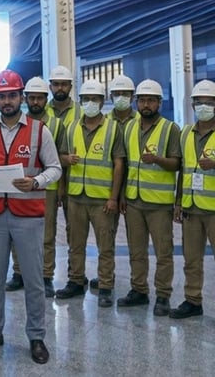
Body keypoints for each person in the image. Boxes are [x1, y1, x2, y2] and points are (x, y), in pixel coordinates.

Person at [0, 69, 62, 365]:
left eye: (12, 95)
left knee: (34, 280)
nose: (7, 101)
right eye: (2, 96)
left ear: (20, 97)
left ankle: (36, 336)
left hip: (28, 215)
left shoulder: (39, 130)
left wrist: (36, 182)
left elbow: (55, 168)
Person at [55, 79, 124, 307]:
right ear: (80, 101)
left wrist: (113, 198)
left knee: (105, 245)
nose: (90, 103)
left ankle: (105, 285)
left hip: (102, 199)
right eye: (86, 99)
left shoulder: (113, 128)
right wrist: (66, 165)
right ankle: (76, 280)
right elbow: (62, 158)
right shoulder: (72, 127)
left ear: (102, 102)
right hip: (76, 197)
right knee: (75, 243)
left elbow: (118, 165)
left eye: (94, 99)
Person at [118, 79, 180, 317]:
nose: (146, 104)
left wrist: (157, 160)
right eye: (142, 100)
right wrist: (123, 194)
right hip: (134, 200)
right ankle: (139, 289)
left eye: (151, 100)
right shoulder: (130, 128)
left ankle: (163, 295)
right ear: (136, 102)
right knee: (136, 249)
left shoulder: (170, 128)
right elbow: (125, 165)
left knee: (163, 252)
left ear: (159, 103)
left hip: (159, 203)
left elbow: (176, 163)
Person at [6, 76, 70, 298]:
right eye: (31, 97)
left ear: (46, 98)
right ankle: (18, 273)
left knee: (46, 234)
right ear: (25, 99)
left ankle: (45, 275)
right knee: (16, 231)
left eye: (39, 98)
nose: (35, 102)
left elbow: (60, 160)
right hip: (18, 188)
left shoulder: (55, 124)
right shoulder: (15, 122)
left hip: (47, 189)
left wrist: (60, 188)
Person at [170, 79, 215, 319]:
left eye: (208, 102)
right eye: (199, 102)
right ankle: (193, 300)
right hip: (191, 208)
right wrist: (178, 202)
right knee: (192, 259)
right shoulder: (186, 132)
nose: (203, 106)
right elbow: (183, 170)